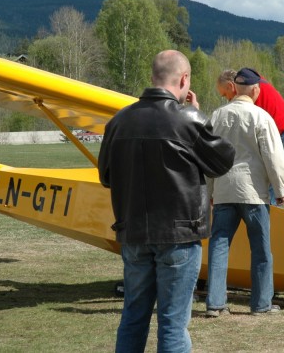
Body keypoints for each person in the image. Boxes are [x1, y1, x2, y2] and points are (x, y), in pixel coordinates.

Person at [97, 50, 235, 353]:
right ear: (184, 79)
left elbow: (106, 176)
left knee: (133, 317)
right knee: (172, 324)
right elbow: (222, 162)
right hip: (179, 235)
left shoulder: (119, 121)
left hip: (133, 232)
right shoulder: (188, 119)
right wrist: (198, 116)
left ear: (153, 77)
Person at [206, 67, 284, 317]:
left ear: (235, 89)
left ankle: (215, 303)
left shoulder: (217, 116)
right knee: (261, 249)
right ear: (255, 90)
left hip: (224, 190)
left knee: (219, 245)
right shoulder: (262, 117)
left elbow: (207, 156)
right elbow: (273, 157)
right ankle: (261, 304)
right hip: (253, 193)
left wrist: (209, 191)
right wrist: (281, 188)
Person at [217, 68, 284, 210]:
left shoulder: (249, 96)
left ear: (231, 86)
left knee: (266, 194)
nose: (228, 100)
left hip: (283, 138)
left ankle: (265, 223)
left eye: (225, 95)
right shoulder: (259, 82)